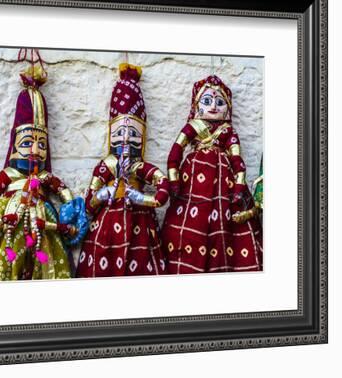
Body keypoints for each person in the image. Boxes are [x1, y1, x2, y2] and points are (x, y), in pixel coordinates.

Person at [0, 62, 88, 281]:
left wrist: (71, 210)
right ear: (14, 146)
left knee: (45, 261)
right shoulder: (8, 175)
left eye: (41, 145)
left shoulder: (45, 178)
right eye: (27, 143)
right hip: (9, 222)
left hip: (43, 223)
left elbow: (65, 195)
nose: (34, 150)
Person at [160, 75, 262, 274]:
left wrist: (240, 185)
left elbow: (237, 160)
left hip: (225, 180)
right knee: (189, 228)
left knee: (226, 223)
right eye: (207, 101)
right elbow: (175, 154)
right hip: (192, 178)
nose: (214, 107)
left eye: (220, 102)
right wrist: (173, 179)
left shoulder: (228, 131)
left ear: (228, 108)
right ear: (197, 106)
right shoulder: (193, 127)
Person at [76, 63, 169, 278]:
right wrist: (102, 194)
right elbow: (89, 204)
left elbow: (164, 187)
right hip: (107, 227)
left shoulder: (140, 166)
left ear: (142, 136)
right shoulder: (106, 165)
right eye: (120, 131)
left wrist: (142, 198)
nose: (126, 137)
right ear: (111, 132)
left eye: (133, 133)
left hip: (141, 224)